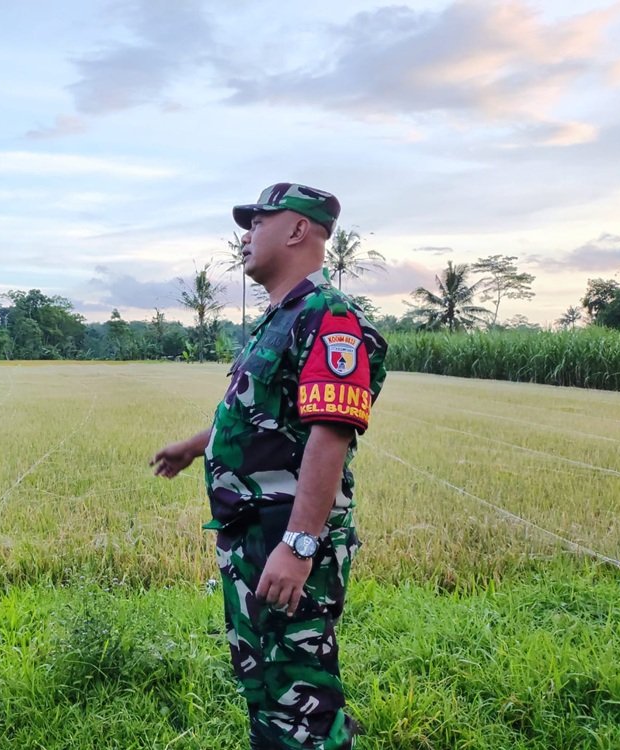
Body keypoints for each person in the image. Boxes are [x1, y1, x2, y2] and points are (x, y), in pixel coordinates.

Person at [152, 183, 387, 750]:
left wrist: (301, 544)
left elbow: (330, 432)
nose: (246, 235)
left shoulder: (327, 316)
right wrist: (196, 444)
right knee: (264, 682)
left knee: (297, 695)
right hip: (255, 535)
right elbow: (261, 413)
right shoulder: (282, 317)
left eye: (258, 222)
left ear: (298, 230)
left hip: (286, 535)